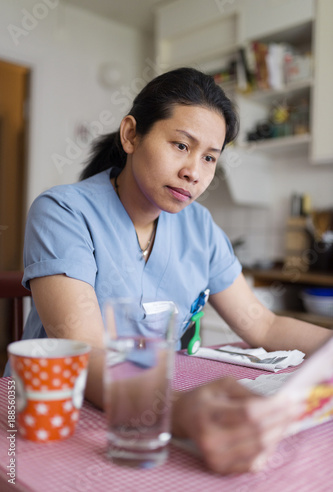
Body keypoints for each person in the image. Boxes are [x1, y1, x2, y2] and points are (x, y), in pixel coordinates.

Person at [5, 67, 332, 474]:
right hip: (50, 415)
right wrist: (177, 411)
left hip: (151, 408)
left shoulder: (201, 229)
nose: (194, 171)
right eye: (180, 145)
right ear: (131, 135)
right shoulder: (64, 212)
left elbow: (262, 326)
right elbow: (84, 353)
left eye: (210, 157)